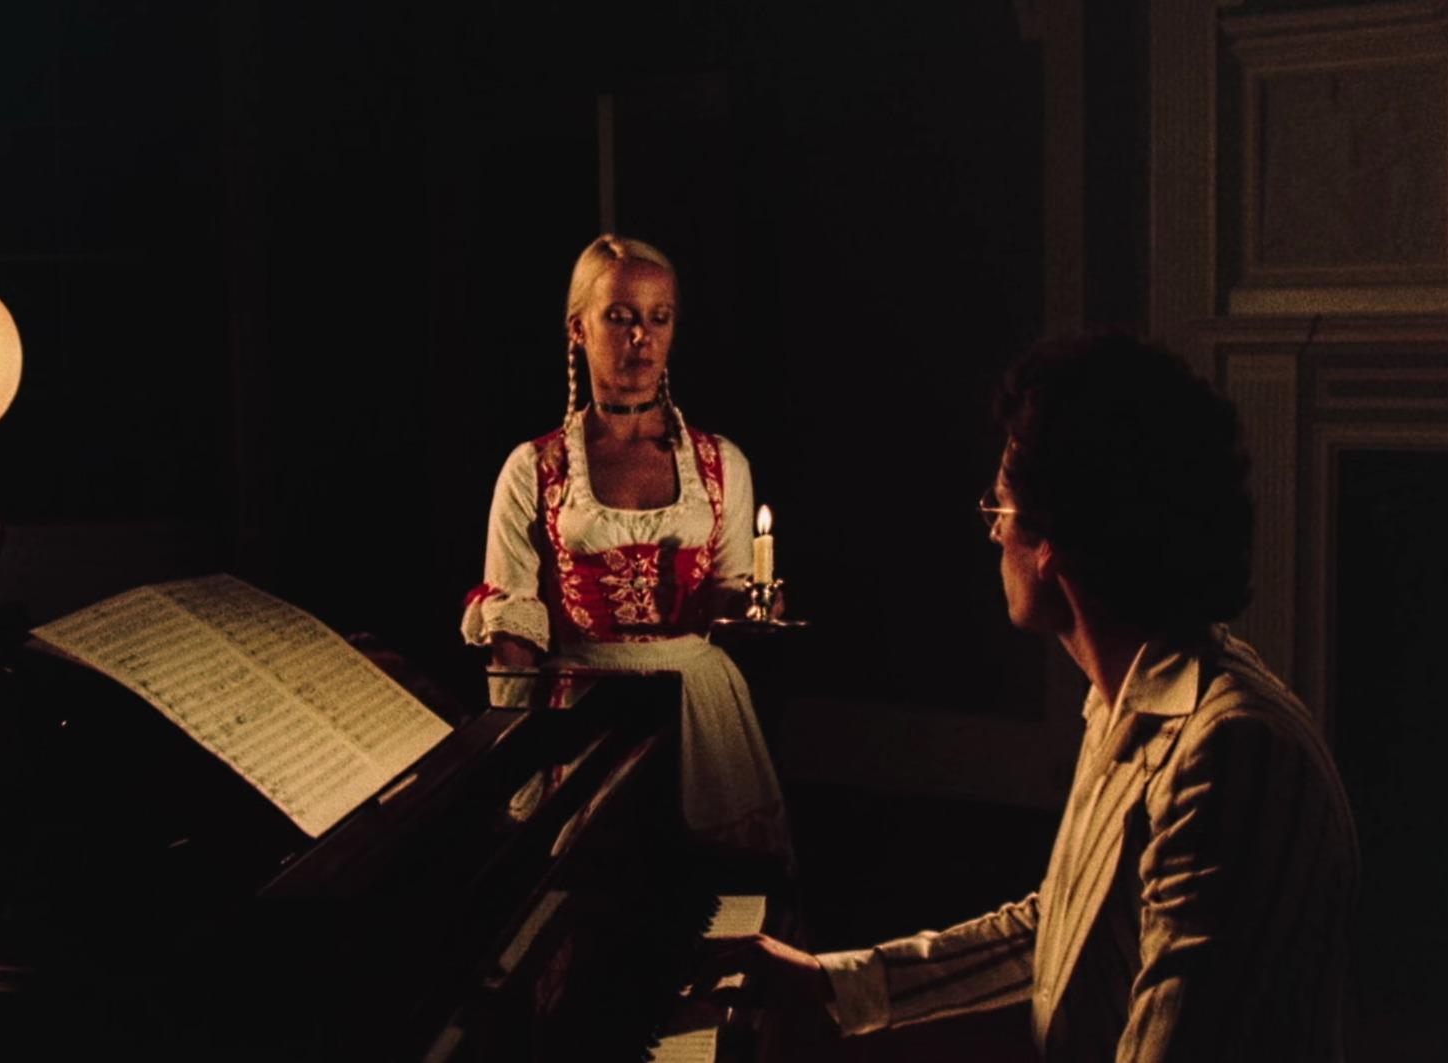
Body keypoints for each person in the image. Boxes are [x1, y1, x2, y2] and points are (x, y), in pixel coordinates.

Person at [699, 334, 1359, 1060]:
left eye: (1001, 507)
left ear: (1054, 541)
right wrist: (830, 984)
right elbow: (1062, 929)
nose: (991, 531)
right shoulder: (1127, 700)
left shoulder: (1230, 753)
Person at [462, 234, 790, 860]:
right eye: (619, 317)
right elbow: (512, 635)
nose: (641, 337)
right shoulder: (534, 468)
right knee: (586, 887)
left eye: (658, 318)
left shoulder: (721, 463)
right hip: (584, 709)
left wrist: (756, 608)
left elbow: (729, 596)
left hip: (700, 704)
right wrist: (515, 762)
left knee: (712, 882)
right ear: (578, 329)